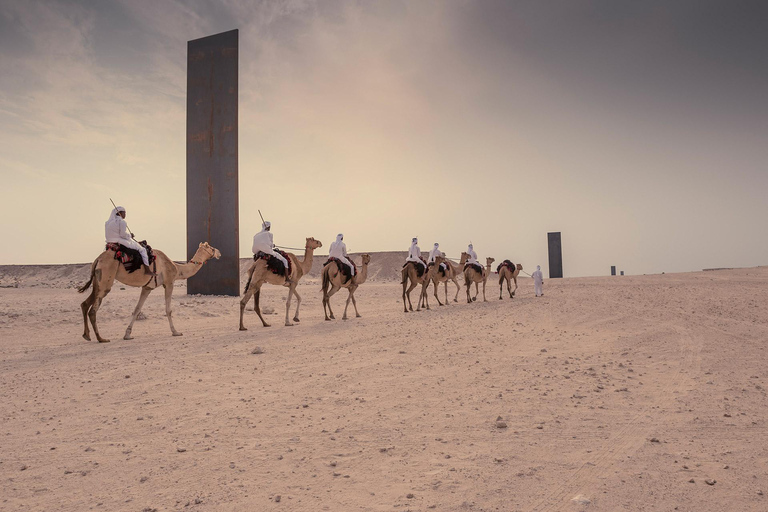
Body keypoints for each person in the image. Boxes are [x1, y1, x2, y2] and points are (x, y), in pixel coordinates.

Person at [105, 206, 154, 276]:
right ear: (120, 213)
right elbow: (122, 235)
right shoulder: (122, 222)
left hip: (109, 241)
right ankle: (147, 270)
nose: (125, 215)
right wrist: (130, 235)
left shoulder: (107, 223)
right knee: (142, 250)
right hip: (120, 241)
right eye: (124, 213)